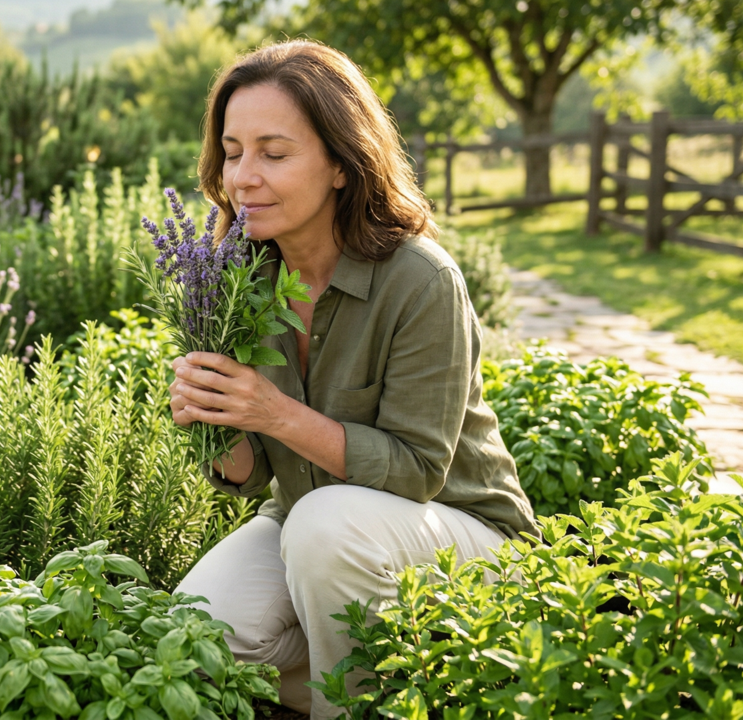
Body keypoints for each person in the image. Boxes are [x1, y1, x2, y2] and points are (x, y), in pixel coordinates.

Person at [167, 40, 539, 718]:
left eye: (274, 154)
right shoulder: (236, 274)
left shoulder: (420, 280)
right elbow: (248, 479)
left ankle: (373, 691)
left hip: (464, 533)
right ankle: (407, 680)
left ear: (342, 164)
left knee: (323, 526)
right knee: (195, 632)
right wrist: (217, 415)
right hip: (317, 527)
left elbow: (418, 470)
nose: (243, 177)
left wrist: (275, 412)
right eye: (232, 151)